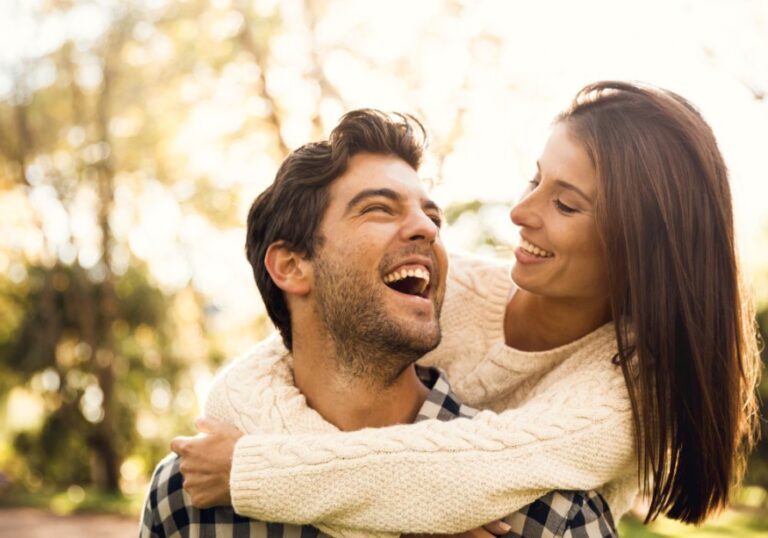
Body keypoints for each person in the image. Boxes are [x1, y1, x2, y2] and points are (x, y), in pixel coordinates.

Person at [174, 81, 762, 534]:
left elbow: (472, 474)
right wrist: (399, 518)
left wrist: (254, 473)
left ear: (637, 251)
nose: (520, 212)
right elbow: (259, 375)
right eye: (536, 179)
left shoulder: (623, 393)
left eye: (566, 204)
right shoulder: (443, 291)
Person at [143, 109, 617, 537]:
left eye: (432, 216)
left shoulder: (552, 517)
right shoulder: (188, 499)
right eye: (379, 209)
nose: (429, 228)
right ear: (290, 266)